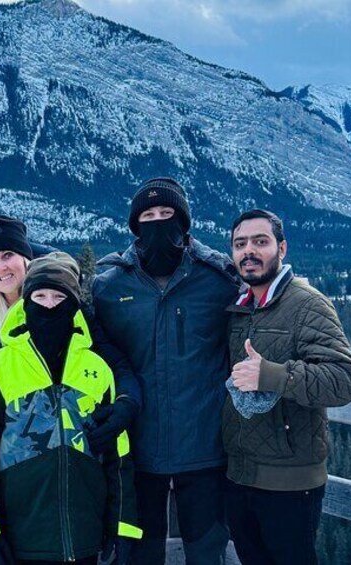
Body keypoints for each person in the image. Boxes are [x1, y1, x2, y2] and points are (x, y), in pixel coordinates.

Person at [91, 177, 240, 565]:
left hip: (205, 449)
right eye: (148, 215)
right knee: (141, 555)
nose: (158, 222)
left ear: (184, 222)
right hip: (138, 449)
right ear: (135, 225)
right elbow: (92, 351)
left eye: (167, 214)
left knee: (208, 553)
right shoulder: (109, 285)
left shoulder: (219, 279)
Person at [0, 252, 142, 565]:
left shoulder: (97, 369)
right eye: (40, 295)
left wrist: (123, 528)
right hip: (20, 540)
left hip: (86, 539)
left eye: (60, 296)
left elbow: (119, 460)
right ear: (26, 300)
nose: (49, 305)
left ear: (74, 305)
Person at [222, 209, 351, 565]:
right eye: (240, 244)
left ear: (282, 249)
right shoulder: (240, 310)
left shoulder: (306, 304)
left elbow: (344, 381)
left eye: (260, 241)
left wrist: (271, 375)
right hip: (240, 478)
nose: (249, 251)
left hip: (289, 486)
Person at [0, 215, 142, 455]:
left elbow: (114, 362)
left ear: (25, 258)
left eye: (8, 255)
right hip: (6, 454)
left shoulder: (64, 309)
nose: (1, 267)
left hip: (67, 448)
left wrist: (126, 401)